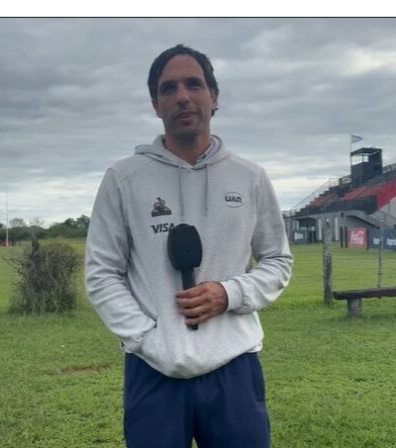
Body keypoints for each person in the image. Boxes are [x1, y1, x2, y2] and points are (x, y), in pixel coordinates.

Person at [85, 44, 293, 448]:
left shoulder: (249, 177)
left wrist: (228, 294)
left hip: (234, 366)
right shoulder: (123, 179)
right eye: (169, 88)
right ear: (155, 104)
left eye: (194, 84)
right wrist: (147, 337)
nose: (182, 96)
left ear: (214, 98)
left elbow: (277, 260)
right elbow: (102, 273)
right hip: (153, 372)